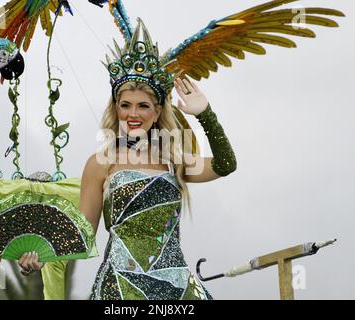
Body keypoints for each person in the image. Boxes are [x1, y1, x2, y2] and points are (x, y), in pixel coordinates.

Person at [18, 19, 236, 300]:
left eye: (143, 106)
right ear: (116, 108)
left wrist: (205, 113)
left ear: (157, 112)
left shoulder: (173, 158)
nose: (133, 114)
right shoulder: (100, 164)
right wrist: (40, 256)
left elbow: (226, 165)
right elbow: (81, 237)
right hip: (121, 290)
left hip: (177, 290)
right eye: (126, 105)